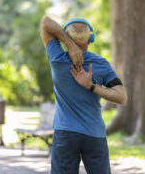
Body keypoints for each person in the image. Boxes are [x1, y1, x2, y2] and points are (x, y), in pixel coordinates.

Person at [40, 16, 127, 174]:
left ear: (67, 37)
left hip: (65, 135)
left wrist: (69, 45)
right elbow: (121, 97)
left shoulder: (58, 59)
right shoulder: (101, 64)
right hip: (94, 135)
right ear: (90, 39)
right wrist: (93, 87)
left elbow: (45, 22)